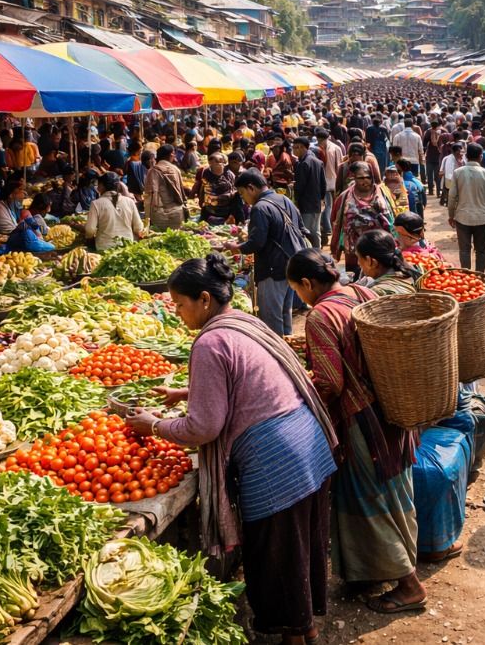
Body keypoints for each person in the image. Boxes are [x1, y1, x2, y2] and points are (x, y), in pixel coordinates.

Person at [125, 254, 337, 645]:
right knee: (301, 549)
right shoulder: (243, 321)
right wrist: (187, 392)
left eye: (180, 304)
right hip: (309, 446)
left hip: (276, 463)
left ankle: (295, 637)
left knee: (277, 559)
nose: (177, 313)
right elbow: (249, 378)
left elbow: (203, 428)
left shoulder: (209, 342)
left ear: (204, 299)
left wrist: (153, 425)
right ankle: (306, 628)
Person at [286, 249, 425, 615]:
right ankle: (372, 571)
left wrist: (295, 394)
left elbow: (331, 382)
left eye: (297, 290)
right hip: (391, 409)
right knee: (396, 492)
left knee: (371, 498)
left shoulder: (320, 316)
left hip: (362, 421)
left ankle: (409, 585)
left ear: (307, 283)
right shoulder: (362, 292)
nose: (299, 297)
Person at [224, 170, 306, 336]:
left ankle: (276, 349)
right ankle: (287, 345)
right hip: (292, 264)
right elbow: (301, 228)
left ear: (251, 188)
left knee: (271, 319)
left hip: (272, 269)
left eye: (242, 193)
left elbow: (256, 243)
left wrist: (235, 247)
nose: (244, 200)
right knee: (285, 313)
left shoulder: (260, 208)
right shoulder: (284, 199)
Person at [330, 161, 395, 276]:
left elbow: (392, 216)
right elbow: (335, 221)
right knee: (356, 277)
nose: (365, 181)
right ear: (354, 178)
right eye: (361, 178)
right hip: (354, 251)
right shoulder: (345, 197)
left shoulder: (383, 194)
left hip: (379, 246)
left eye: (368, 177)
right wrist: (337, 243)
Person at [447, 143, 485, 273]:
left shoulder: (458, 173)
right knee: (481, 251)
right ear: (481, 157)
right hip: (482, 218)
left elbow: (451, 197)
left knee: (464, 250)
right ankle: (480, 276)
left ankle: (466, 276)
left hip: (462, 217)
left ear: (467, 156)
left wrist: (451, 216)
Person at [85, 173, 144, 252]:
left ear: (101, 186)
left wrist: (89, 239)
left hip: (104, 248)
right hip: (127, 247)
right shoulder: (129, 202)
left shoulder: (96, 204)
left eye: (98, 185)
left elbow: (90, 230)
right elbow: (139, 227)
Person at [356, 229, 422, 296]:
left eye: (358, 257)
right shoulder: (408, 276)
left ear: (371, 261)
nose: (358, 263)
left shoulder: (376, 293)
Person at [144, 144, 188, 231]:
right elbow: (182, 193)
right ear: (171, 154)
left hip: (160, 216)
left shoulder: (153, 171)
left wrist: (147, 218)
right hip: (178, 214)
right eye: (174, 153)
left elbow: (151, 195)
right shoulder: (176, 170)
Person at [292, 137, 326, 248]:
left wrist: (294, 189)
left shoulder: (303, 163)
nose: (293, 150)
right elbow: (323, 184)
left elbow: (300, 186)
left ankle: (310, 254)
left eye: (295, 148)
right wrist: (321, 199)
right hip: (316, 202)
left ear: (302, 148)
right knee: (316, 231)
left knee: (306, 232)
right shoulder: (317, 161)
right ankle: (317, 252)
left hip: (306, 203)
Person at [194, 152, 241, 225]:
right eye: (216, 162)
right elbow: (203, 186)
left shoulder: (229, 175)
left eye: (220, 162)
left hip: (225, 212)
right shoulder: (206, 172)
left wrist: (225, 197)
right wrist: (201, 201)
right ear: (210, 163)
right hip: (209, 210)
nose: (219, 164)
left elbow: (235, 192)